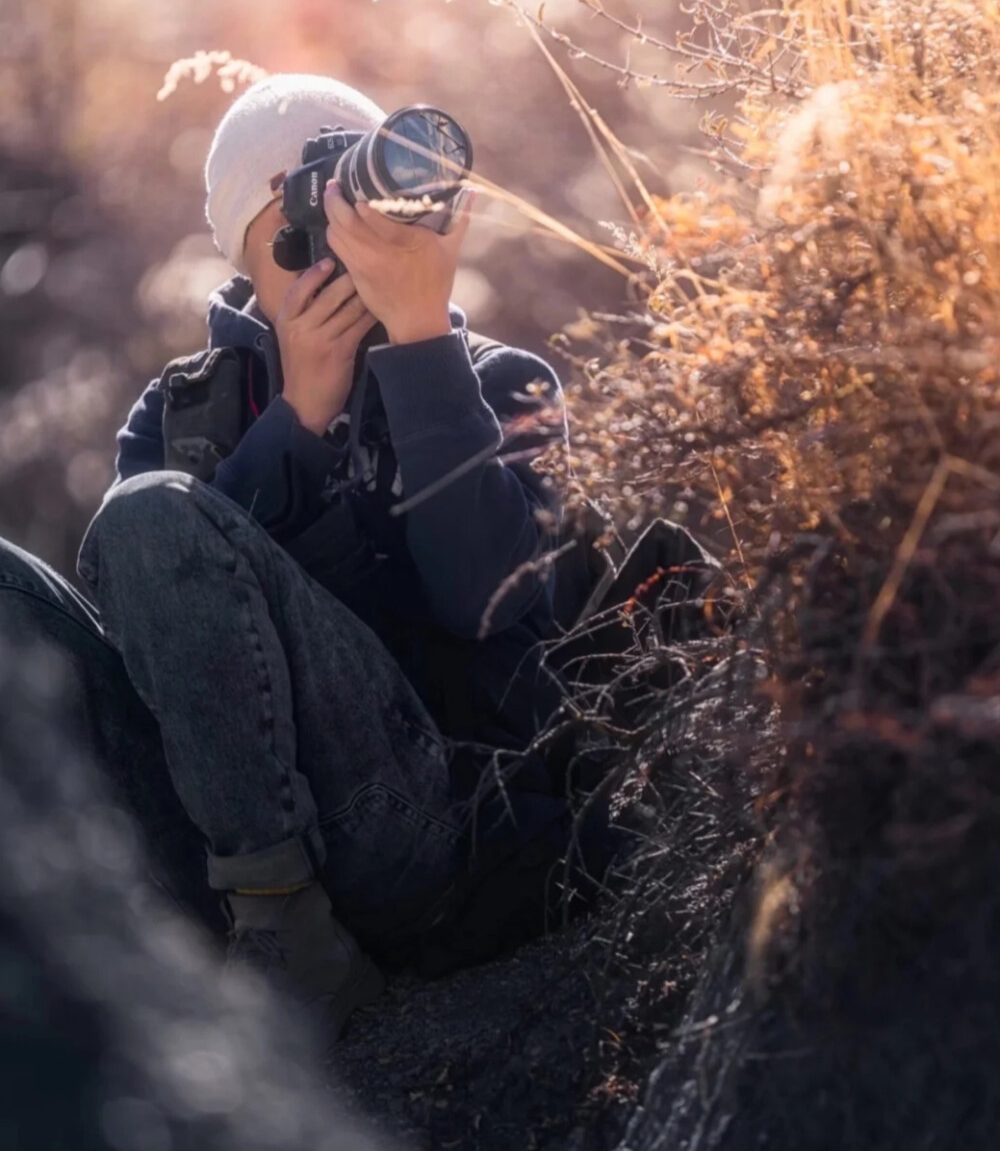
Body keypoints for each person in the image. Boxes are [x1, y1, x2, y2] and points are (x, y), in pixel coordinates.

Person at [0, 73, 609, 1039]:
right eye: (309, 205)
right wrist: (293, 426)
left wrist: (417, 347)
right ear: (254, 247)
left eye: (360, 202)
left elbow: (489, 604)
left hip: (431, 834)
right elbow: (161, 660)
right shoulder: (177, 419)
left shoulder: (494, 380)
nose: (344, 238)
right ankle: (211, 922)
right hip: (216, 845)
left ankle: (299, 952)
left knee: (155, 514)